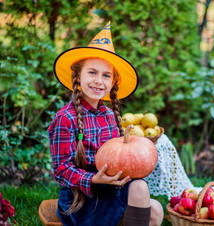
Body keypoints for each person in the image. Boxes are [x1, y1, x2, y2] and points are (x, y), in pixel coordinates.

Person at [48, 21, 164, 226]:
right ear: (77, 76)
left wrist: (138, 157)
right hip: (81, 199)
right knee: (148, 208)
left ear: (113, 83)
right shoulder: (65, 118)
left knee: (153, 207)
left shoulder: (110, 116)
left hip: (110, 189)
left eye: (106, 75)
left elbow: (120, 158)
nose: (99, 81)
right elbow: (61, 170)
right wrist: (94, 179)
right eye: (92, 72)